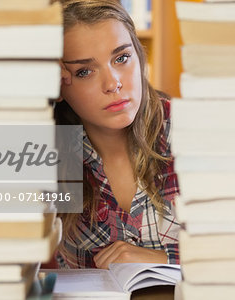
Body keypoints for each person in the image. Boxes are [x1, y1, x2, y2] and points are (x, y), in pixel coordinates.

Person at [53, 0, 180, 269]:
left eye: (121, 58)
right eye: (84, 72)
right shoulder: (49, 147)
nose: (113, 84)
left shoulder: (195, 129)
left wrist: (166, 260)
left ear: (139, 55)